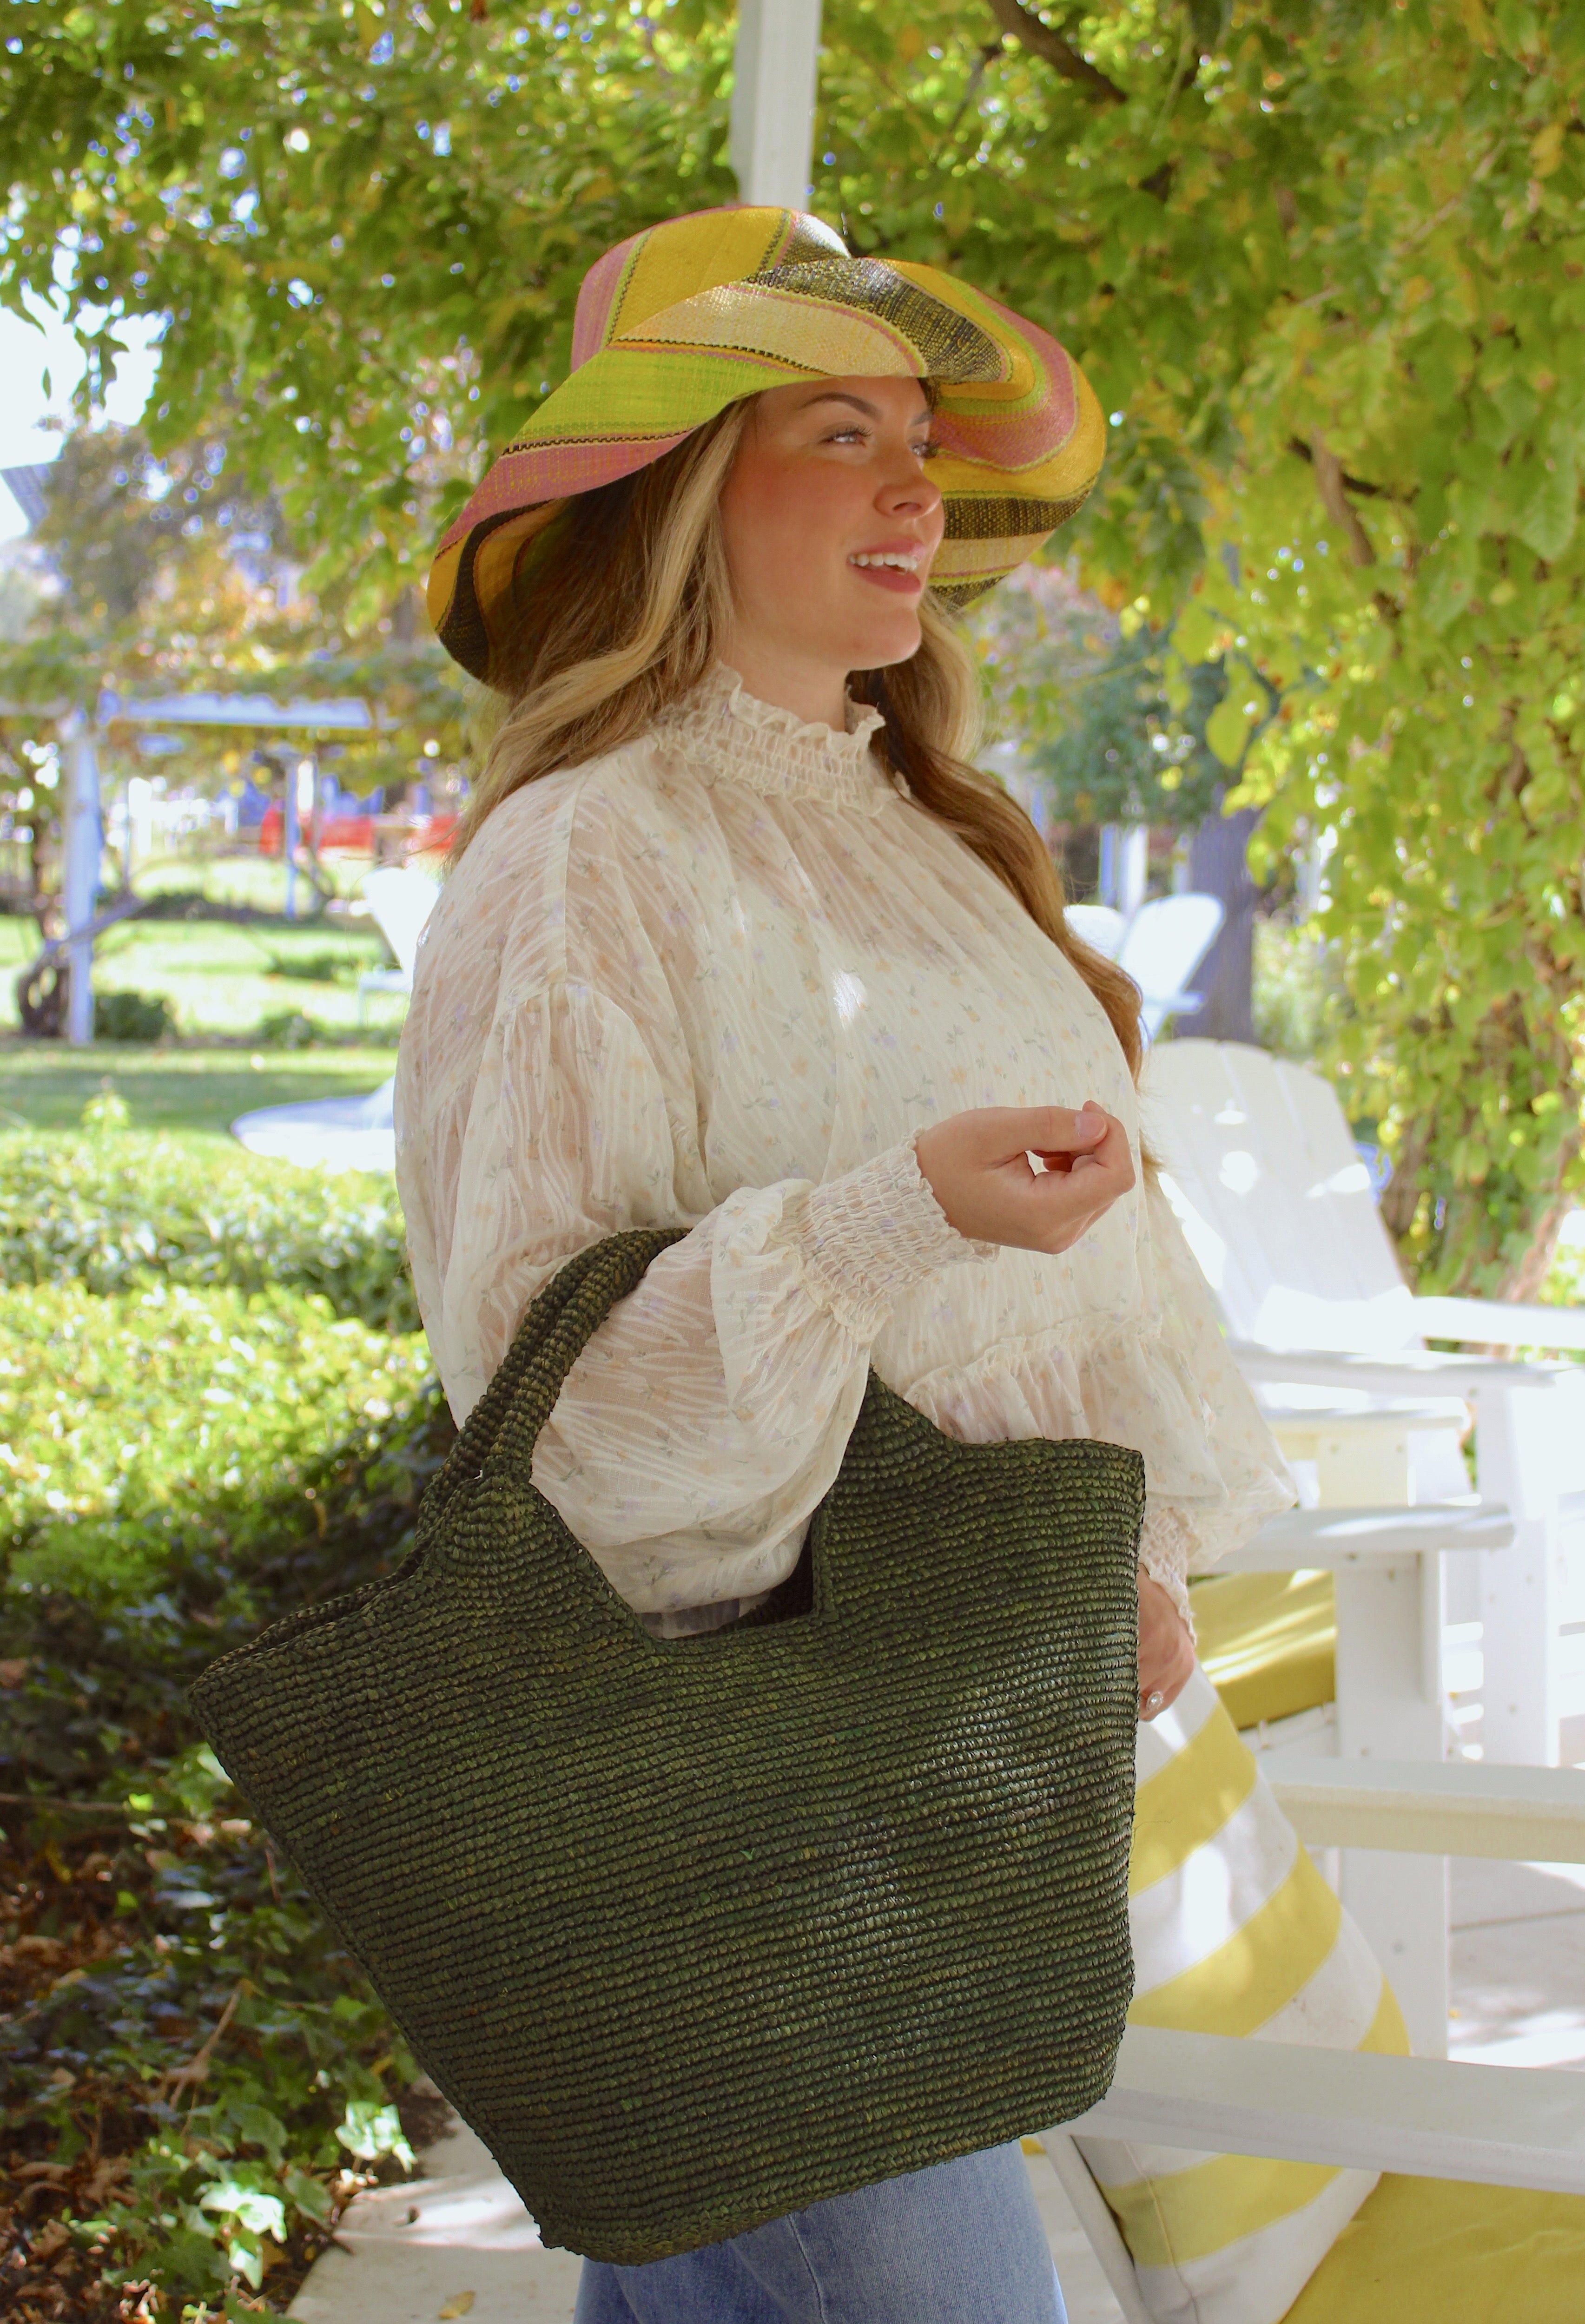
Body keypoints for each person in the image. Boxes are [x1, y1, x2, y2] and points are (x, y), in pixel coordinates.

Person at [397, 205, 1292, 2324]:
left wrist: (1122, 1549)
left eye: (920, 442)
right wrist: (901, 1210)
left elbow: (1071, 1298)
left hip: (934, 1778)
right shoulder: (585, 856)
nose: (915, 490)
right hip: (743, 1822)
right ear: (690, 490)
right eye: (837, 432)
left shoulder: (929, 829)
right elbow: (555, 1391)